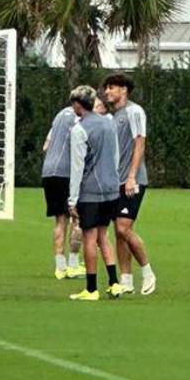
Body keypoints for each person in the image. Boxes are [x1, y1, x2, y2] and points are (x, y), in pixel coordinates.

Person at [65, 85, 124, 302]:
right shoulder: (109, 124)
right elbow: (116, 157)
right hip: (111, 189)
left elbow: (77, 166)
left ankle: (91, 288)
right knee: (103, 236)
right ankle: (114, 283)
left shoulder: (79, 129)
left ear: (78, 105)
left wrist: (72, 199)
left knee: (89, 237)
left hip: (91, 191)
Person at [103, 73, 156, 296]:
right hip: (117, 181)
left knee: (124, 228)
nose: (107, 92)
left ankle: (148, 272)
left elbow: (140, 143)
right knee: (119, 231)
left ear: (124, 90)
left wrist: (132, 176)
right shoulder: (114, 116)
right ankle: (126, 280)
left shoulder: (134, 111)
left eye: (112, 88)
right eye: (106, 88)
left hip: (132, 181)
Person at [41, 89, 84, 279]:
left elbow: (46, 145)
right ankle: (73, 264)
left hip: (49, 171)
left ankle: (60, 266)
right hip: (67, 172)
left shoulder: (59, 115)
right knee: (78, 218)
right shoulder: (79, 119)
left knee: (60, 220)